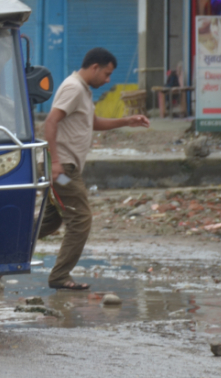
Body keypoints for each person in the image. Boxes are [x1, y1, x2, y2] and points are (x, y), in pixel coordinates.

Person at [39, 47, 150, 291]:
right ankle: (59, 276)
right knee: (81, 217)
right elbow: (51, 121)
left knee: (48, 222)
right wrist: (55, 162)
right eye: (107, 74)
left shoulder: (83, 90)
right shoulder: (73, 88)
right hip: (63, 170)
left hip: (62, 167)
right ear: (94, 67)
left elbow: (93, 122)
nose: (108, 80)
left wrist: (127, 121)